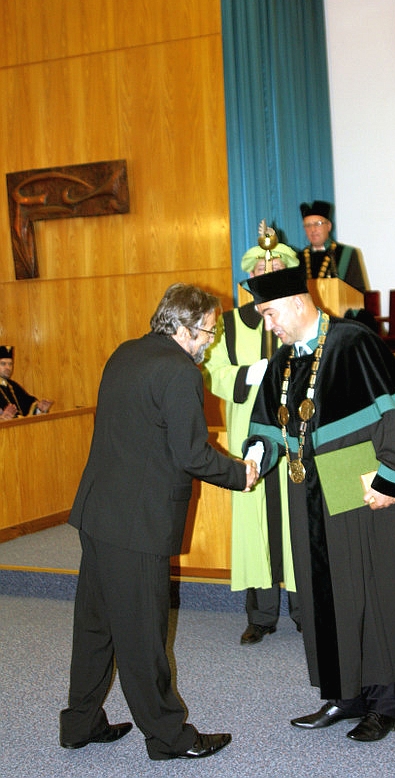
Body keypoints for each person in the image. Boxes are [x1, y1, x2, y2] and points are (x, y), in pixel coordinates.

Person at [59, 283, 259, 761]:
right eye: (208, 332)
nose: (210, 341)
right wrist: (242, 474)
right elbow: (191, 454)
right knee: (143, 635)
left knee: (95, 627)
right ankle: (169, 738)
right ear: (185, 328)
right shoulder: (179, 371)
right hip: (137, 524)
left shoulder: (125, 353)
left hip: (98, 512)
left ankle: (80, 723)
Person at [242, 264, 395, 743]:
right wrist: (255, 456)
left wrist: (392, 478)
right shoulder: (283, 362)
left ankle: (384, 703)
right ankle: (344, 695)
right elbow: (267, 428)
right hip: (306, 490)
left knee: (368, 589)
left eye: (270, 313)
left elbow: (393, 416)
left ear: (296, 302)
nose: (268, 325)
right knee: (323, 595)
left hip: (356, 481)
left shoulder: (353, 342)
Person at [203, 242, 301, 645]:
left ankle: (306, 611)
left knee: (298, 521)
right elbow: (212, 371)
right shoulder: (228, 324)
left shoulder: (301, 318)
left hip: (296, 437)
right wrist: (253, 374)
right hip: (250, 437)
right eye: (261, 268)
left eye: (276, 266)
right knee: (255, 524)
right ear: (250, 278)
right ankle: (261, 616)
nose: (268, 272)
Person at [298, 200, 368, 293]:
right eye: (308, 225)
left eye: (318, 224)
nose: (313, 229)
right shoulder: (298, 258)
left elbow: (358, 292)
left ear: (329, 226)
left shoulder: (346, 254)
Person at [0, 345, 54, 420]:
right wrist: (2, 418)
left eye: (10, 364)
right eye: (3, 364)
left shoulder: (13, 385)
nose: (8, 367)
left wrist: (40, 409)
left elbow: (28, 405)